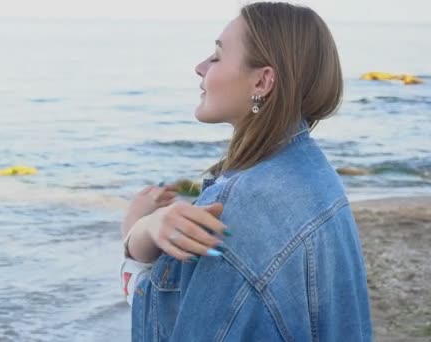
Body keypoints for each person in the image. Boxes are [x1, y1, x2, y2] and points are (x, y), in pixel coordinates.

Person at [119, 2, 372, 341]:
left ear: (263, 81)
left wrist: (136, 230)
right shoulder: (316, 173)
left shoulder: (235, 208)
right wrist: (149, 229)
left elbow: (167, 327)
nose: (199, 67)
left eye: (217, 56)